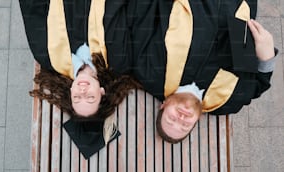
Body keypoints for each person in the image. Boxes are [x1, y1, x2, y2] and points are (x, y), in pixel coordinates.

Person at [122, 0, 278, 143]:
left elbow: (142, 16)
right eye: (184, 125)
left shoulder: (149, 73)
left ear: (163, 105)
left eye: (171, 119)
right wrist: (267, 57)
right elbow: (258, 86)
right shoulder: (228, 102)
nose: (181, 118)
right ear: (196, 121)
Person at [19, 0, 140, 158]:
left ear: (70, 92)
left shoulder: (47, 55)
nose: (83, 90)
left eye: (77, 97)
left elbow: (33, 9)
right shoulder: (119, 60)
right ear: (102, 92)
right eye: (90, 97)